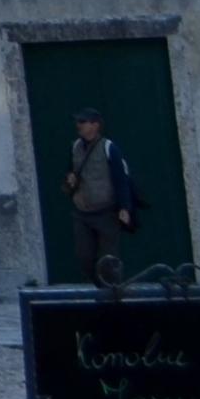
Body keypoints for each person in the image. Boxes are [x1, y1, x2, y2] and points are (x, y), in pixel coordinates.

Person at [68, 109, 145, 283]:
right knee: (84, 256)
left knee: (108, 259)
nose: (79, 125)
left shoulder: (109, 148)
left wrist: (125, 207)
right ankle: (99, 287)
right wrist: (71, 179)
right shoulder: (76, 147)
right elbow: (71, 170)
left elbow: (121, 179)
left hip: (106, 212)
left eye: (83, 121)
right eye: (78, 121)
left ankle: (112, 293)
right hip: (82, 212)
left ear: (95, 125)